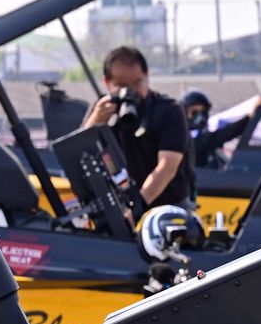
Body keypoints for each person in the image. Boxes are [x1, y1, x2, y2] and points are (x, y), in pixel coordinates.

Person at [80, 46, 193, 206]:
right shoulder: (101, 110)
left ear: (147, 76)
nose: (130, 92)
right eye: (121, 85)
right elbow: (79, 155)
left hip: (167, 206)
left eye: (137, 83)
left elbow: (167, 167)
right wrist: (95, 122)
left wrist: (137, 207)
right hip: (119, 206)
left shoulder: (168, 110)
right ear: (107, 83)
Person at [183, 87, 261, 168]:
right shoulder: (187, 138)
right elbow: (221, 135)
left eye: (203, 112)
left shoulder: (205, 137)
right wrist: (249, 118)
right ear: (184, 113)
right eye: (194, 112)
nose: (199, 116)